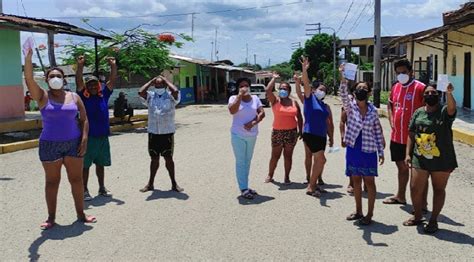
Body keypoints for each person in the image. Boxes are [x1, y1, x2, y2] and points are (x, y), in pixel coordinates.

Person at [23, 48, 96, 230]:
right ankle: (51, 218)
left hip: (73, 143)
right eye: (51, 76)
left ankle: (81, 214)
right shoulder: (42, 96)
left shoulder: (74, 97)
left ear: (64, 79)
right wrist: (29, 58)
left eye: (58, 76)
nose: (55, 78)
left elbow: (84, 118)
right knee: (52, 182)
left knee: (76, 180)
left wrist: (84, 138)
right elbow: (29, 80)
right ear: (47, 80)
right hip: (49, 145)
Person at [403, 83, 457, 234]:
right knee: (415, 188)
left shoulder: (443, 111)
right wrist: (408, 154)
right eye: (427, 92)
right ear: (423, 96)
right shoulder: (418, 112)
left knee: (438, 189)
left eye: (434, 92)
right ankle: (418, 216)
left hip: (442, 159)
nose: (430, 95)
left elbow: (452, 109)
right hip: (419, 158)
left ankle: (433, 220)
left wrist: (449, 93)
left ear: (438, 95)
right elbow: (411, 134)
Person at [339, 64, 385, 225]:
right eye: (358, 88)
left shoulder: (373, 111)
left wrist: (381, 152)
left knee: (370, 182)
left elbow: (377, 132)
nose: (361, 90)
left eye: (364, 88)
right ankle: (358, 211)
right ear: (355, 92)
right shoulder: (350, 108)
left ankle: (369, 214)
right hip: (354, 149)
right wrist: (343, 76)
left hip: (368, 150)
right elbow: (343, 94)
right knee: (356, 181)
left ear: (369, 92)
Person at [384, 59, 427, 208]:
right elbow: (390, 104)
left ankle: (422, 203)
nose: (401, 75)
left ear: (411, 72)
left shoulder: (420, 88)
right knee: (401, 167)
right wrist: (391, 119)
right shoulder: (395, 87)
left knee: (420, 173)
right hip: (397, 136)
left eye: (404, 72)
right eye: (398, 73)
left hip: (415, 138)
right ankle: (400, 196)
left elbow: (430, 108)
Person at [76, 55, 117, 201]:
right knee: (85, 166)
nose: (93, 86)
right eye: (90, 85)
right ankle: (84, 190)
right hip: (89, 137)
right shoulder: (83, 96)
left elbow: (112, 81)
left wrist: (113, 66)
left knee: (101, 164)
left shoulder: (103, 95)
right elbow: (79, 81)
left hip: (103, 136)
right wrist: (80, 66)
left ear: (99, 85)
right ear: (87, 87)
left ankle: (101, 187)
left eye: (95, 84)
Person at [138, 75, 183, 193]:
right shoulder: (150, 96)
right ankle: (150, 184)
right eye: (156, 84)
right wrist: (151, 81)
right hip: (153, 132)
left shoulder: (170, 96)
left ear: (165, 85)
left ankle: (174, 183)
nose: (158, 86)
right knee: (154, 159)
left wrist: (166, 80)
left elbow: (175, 91)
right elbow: (140, 92)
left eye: (160, 84)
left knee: (168, 158)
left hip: (167, 133)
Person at [299, 57, 334, 197]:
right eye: (320, 89)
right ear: (314, 90)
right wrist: (304, 70)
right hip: (311, 133)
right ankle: (311, 186)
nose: (322, 91)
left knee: (319, 160)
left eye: (324, 90)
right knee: (321, 159)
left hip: (321, 136)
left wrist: (331, 137)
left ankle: (313, 184)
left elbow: (328, 122)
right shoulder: (309, 98)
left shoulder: (324, 105)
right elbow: (305, 84)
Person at [228, 77, 265, 199]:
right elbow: (232, 111)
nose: (244, 88)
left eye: (246, 85)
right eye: (241, 86)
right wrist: (239, 96)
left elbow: (262, 113)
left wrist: (253, 123)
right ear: (238, 88)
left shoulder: (255, 99)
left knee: (247, 161)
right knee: (240, 162)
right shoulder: (233, 98)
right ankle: (243, 188)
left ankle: (246, 185)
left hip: (252, 135)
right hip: (238, 135)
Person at [264, 72, 303, 184]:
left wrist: (300, 130)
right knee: (275, 156)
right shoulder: (275, 101)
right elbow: (267, 91)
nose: (283, 90)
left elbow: (299, 117)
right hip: (277, 132)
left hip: (291, 132)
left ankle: (287, 177)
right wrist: (273, 79)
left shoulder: (294, 102)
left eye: (285, 88)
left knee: (288, 156)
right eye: (281, 88)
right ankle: (270, 175)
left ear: (289, 91)